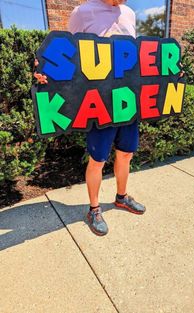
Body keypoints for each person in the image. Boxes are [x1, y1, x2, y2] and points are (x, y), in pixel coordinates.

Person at [34, 0, 185, 236]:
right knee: (98, 159)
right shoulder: (82, 12)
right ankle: (93, 209)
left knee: (126, 153)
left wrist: (169, 71)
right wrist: (46, 72)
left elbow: (137, 60)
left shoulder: (129, 13)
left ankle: (121, 197)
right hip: (98, 103)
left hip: (126, 102)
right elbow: (67, 53)